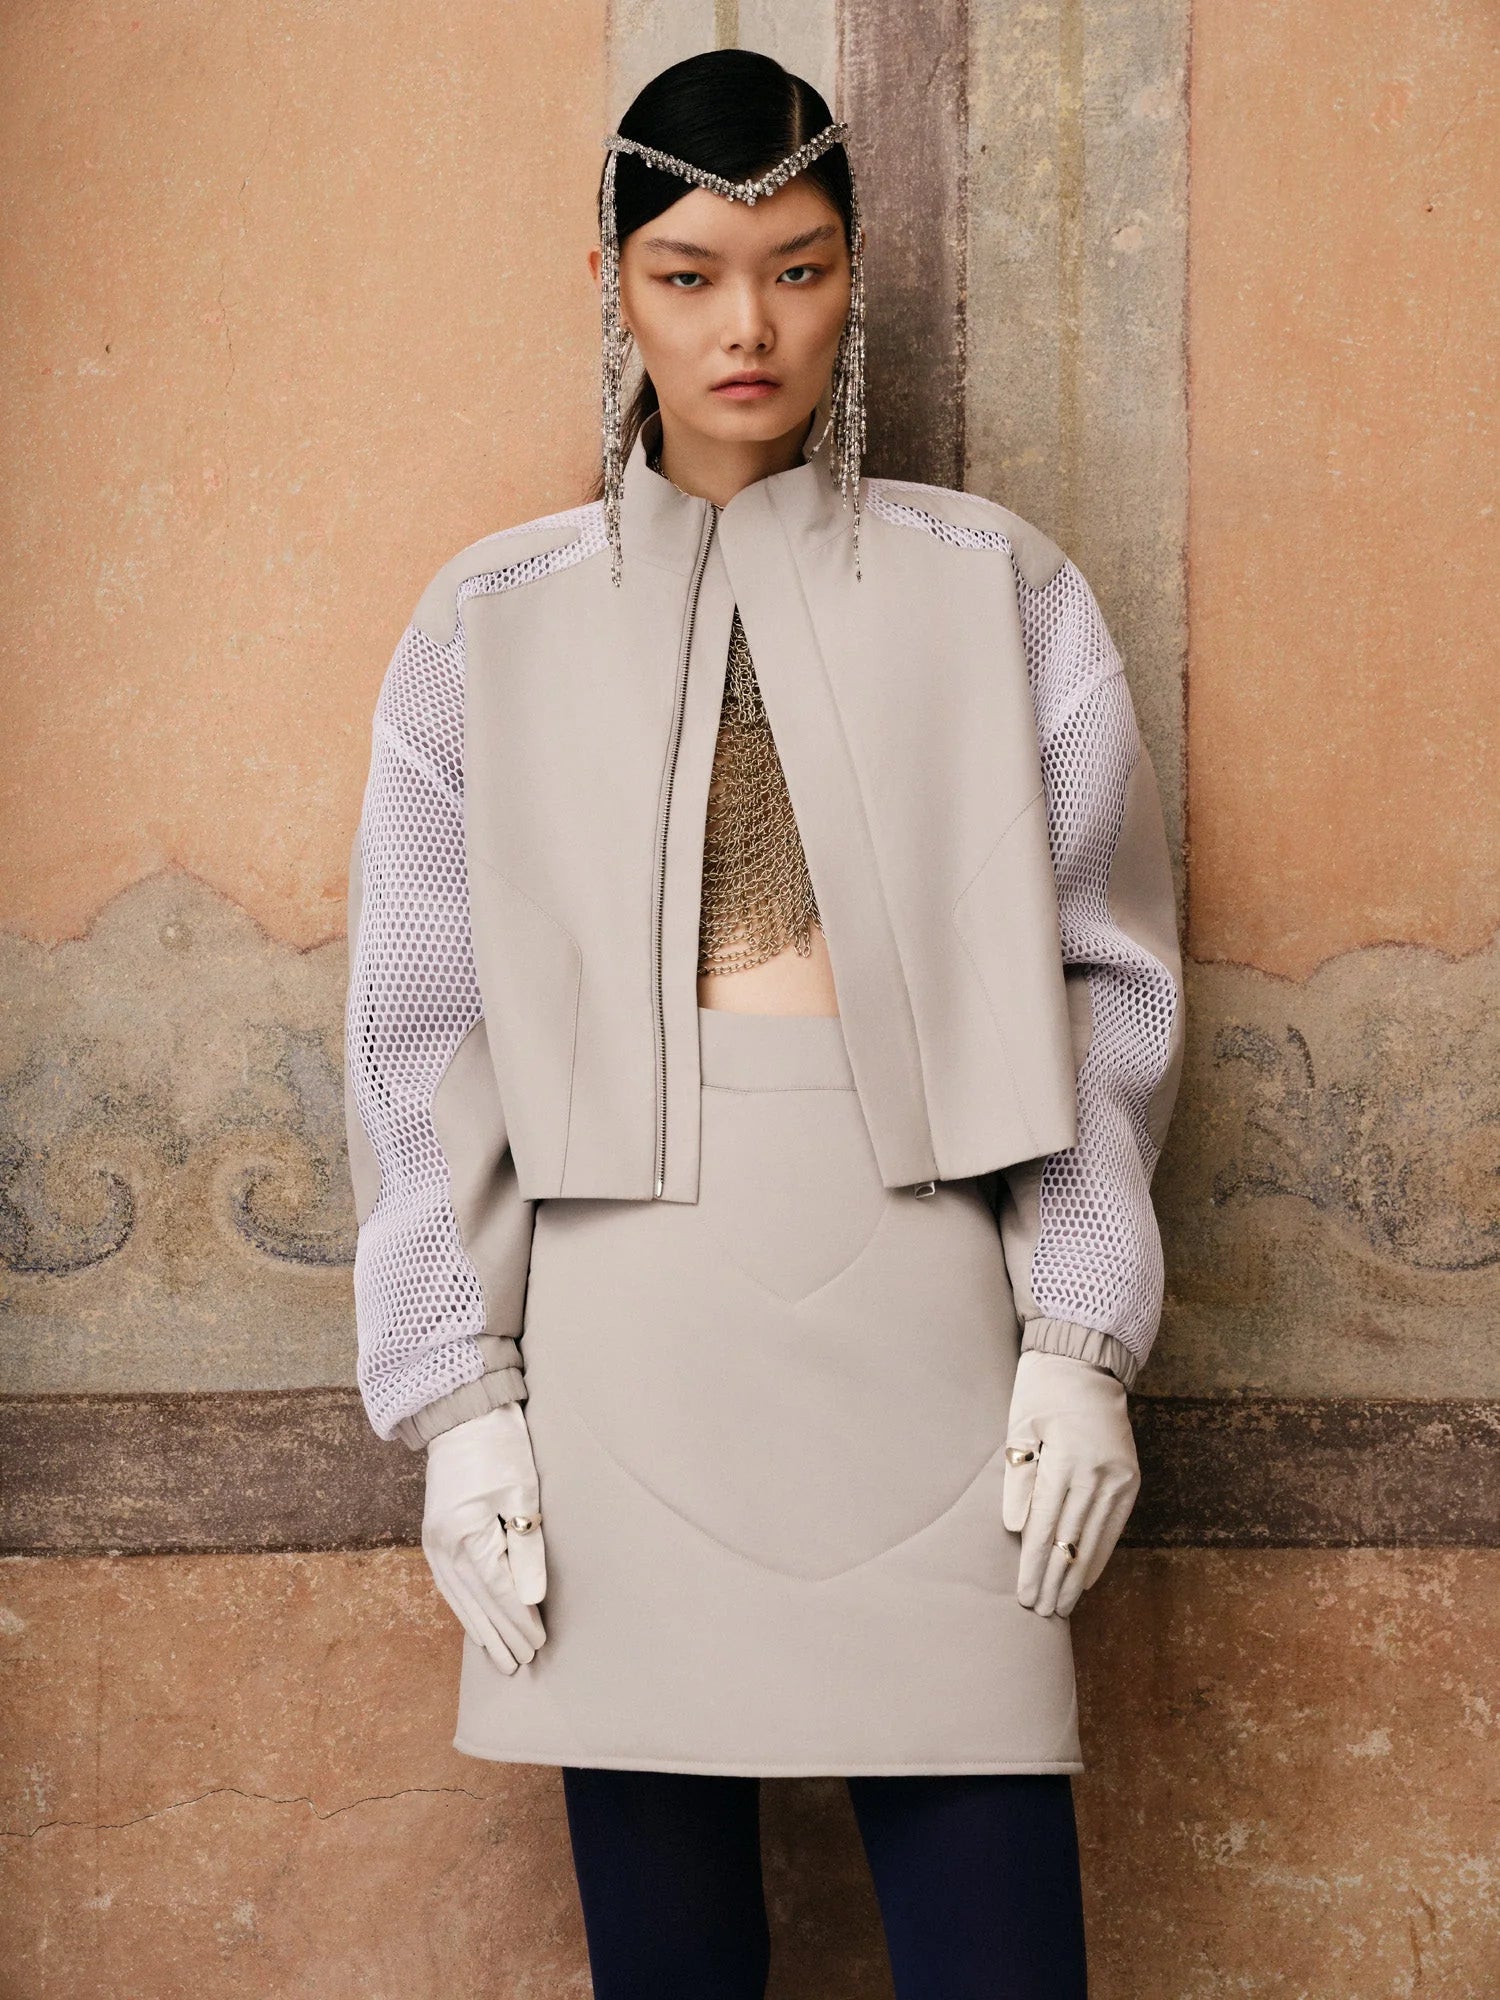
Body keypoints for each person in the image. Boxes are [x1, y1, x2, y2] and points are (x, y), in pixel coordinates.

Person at [342, 47, 1185, 2000]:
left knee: (1001, 1959)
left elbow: (1111, 984)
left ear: (852, 277)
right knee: (672, 1969)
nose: (748, 327)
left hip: (940, 1345)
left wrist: (1079, 1340)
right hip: (615, 1358)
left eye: (798, 269)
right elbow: (418, 1033)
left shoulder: (1003, 589)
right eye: (693, 273)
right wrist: (460, 1403)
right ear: (613, 282)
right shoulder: (484, 622)